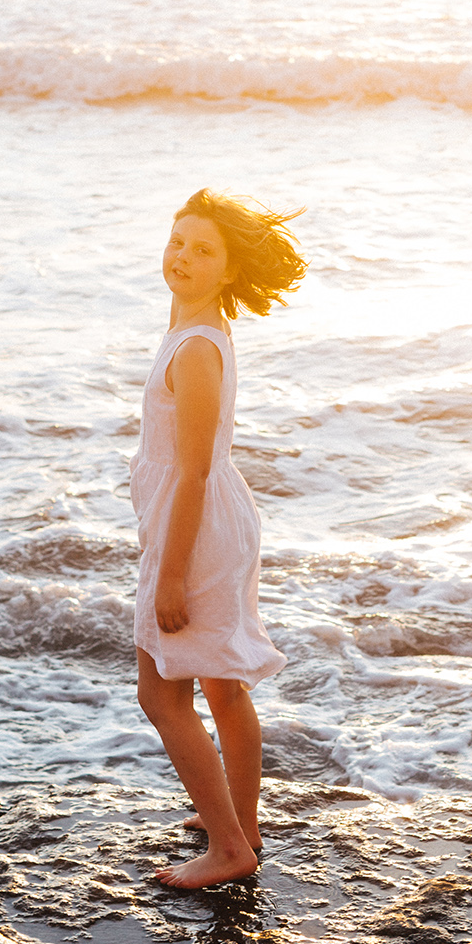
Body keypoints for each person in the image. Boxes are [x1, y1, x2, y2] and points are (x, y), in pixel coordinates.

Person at [132, 188, 305, 889]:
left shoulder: (197, 349)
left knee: (161, 694)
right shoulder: (193, 332)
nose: (183, 257)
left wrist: (170, 576)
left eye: (204, 250)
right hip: (206, 521)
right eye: (178, 241)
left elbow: (195, 473)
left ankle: (231, 849)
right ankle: (241, 822)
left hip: (197, 528)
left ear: (229, 271)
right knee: (222, 688)